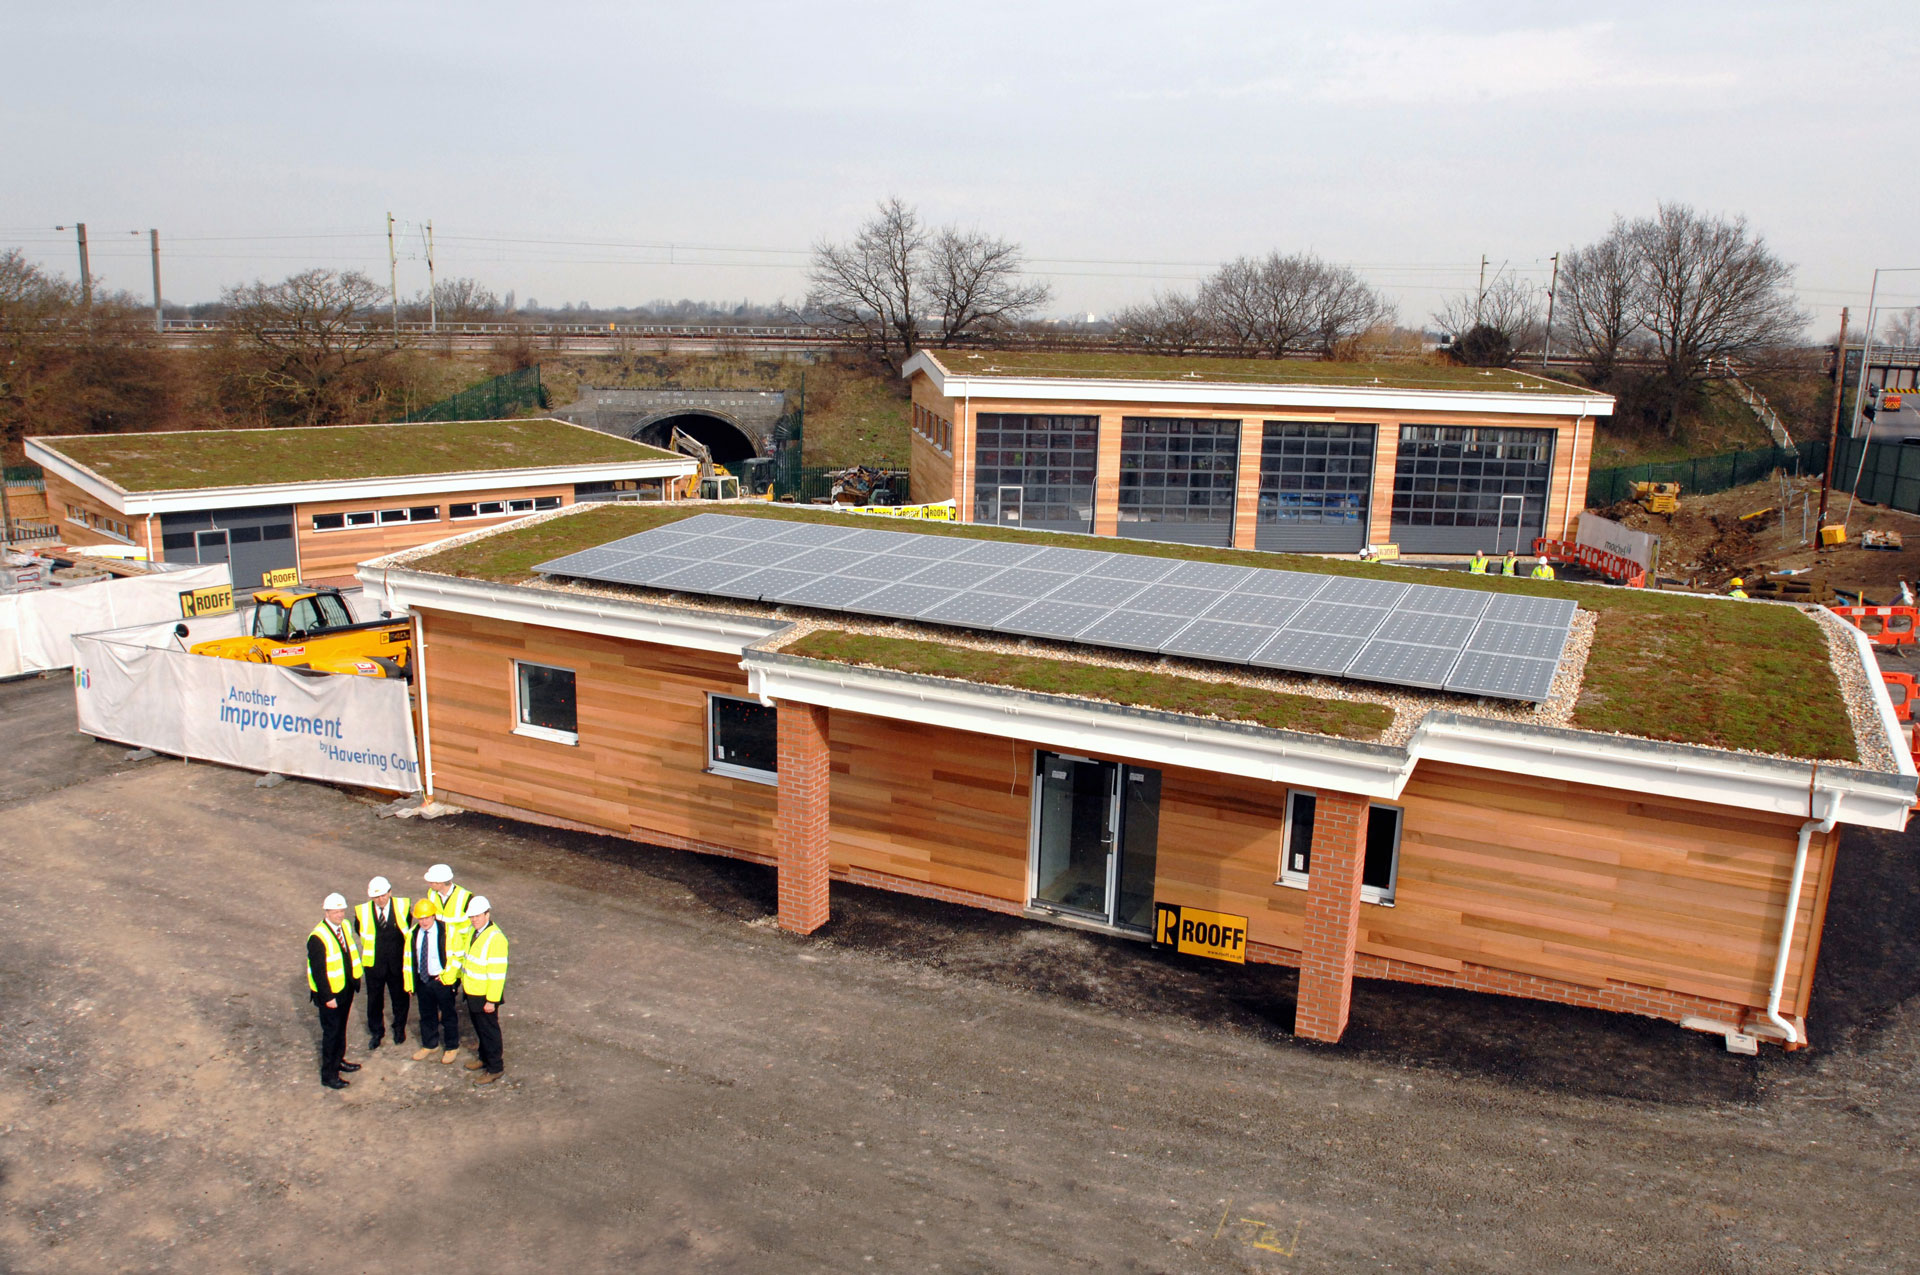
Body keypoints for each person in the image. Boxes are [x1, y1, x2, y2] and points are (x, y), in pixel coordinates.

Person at [307, 892, 363, 1090]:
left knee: (341, 1029)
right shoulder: (317, 937)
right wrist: (327, 997)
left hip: (345, 988)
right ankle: (329, 1074)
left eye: (342, 911)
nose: (340, 915)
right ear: (327, 912)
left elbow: (349, 953)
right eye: (336, 912)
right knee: (331, 1033)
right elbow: (319, 972)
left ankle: (339, 1060)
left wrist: (355, 979)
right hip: (331, 994)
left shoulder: (345, 926)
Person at [353, 876, 412, 1051]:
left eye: (384, 895)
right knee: (374, 1000)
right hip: (374, 965)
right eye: (377, 897)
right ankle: (376, 1032)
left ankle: (399, 1028)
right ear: (371, 897)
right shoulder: (362, 912)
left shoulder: (403, 907)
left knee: (400, 998)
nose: (381, 899)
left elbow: (406, 927)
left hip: (397, 963)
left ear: (390, 892)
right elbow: (360, 930)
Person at [408, 896, 465, 1064]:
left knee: (448, 1015)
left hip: (442, 981)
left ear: (434, 915)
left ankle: (451, 1046)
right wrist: (410, 982)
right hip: (423, 980)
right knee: (426, 1014)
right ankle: (430, 1044)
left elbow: (458, 956)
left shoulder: (448, 931)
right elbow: (409, 959)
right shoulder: (413, 934)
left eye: (427, 917)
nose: (424, 922)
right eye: (421, 918)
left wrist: (449, 977)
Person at [460, 897, 510, 1085]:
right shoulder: (475, 932)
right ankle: (484, 1058)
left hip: (485, 995)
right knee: (480, 1029)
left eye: (478, 916)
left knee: (489, 1031)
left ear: (487, 914)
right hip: (473, 991)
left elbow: (497, 973)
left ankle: (495, 1067)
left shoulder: (496, 939)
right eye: (472, 916)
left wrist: (492, 1000)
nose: (474, 919)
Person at [423, 864, 473, 952]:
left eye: (431, 882)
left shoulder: (465, 897)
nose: (429, 884)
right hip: (440, 943)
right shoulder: (431, 893)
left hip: (459, 946)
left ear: (440, 883)